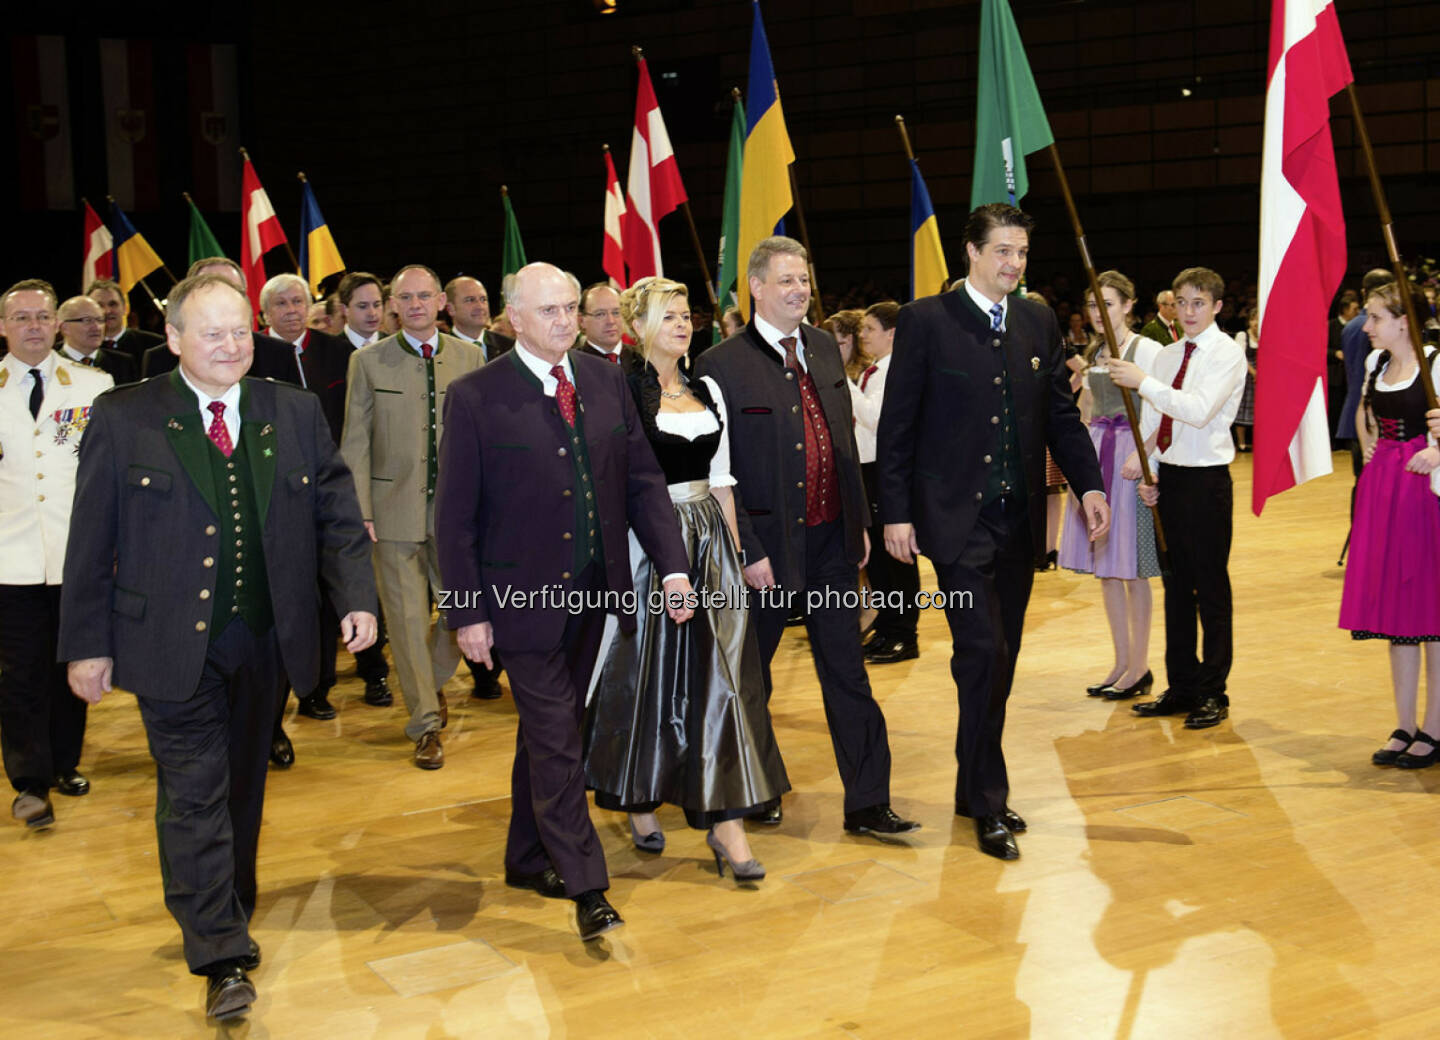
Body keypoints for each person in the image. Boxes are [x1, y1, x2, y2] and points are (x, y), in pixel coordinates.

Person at [59, 273, 377, 1021]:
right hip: (166, 645)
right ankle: (219, 950)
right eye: (213, 334)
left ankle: (230, 902)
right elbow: (91, 538)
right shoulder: (125, 416)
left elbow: (336, 514)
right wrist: (86, 645)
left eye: (240, 331)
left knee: (242, 787)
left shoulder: (291, 411)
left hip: (267, 640)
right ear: (174, 339)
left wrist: (357, 598)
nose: (232, 346)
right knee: (194, 792)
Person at [436, 262, 694, 941]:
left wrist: (673, 569)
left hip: (595, 592)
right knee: (557, 739)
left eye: (570, 307)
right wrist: (467, 611)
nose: (563, 321)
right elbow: (454, 517)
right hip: (518, 602)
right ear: (514, 317)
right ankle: (586, 884)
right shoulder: (474, 396)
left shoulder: (606, 381)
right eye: (547, 310)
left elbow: (642, 483)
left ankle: (527, 857)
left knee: (551, 733)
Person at [879, 205, 1108, 861]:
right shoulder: (926, 320)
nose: (1015, 263)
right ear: (973, 253)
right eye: (1003, 250)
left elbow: (1060, 415)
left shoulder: (1036, 319)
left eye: (1022, 252)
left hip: (1019, 521)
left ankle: (970, 783)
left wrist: (1090, 485)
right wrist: (895, 512)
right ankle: (987, 800)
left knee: (1000, 657)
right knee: (980, 651)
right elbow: (898, 424)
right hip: (955, 522)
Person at [696, 236, 918, 839]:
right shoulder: (720, 365)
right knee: (753, 677)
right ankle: (756, 787)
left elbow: (841, 441)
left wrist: (859, 522)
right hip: (765, 553)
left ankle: (868, 802)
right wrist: (748, 549)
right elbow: (718, 472)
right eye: (786, 280)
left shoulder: (821, 346)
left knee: (847, 672)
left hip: (831, 544)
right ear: (757, 287)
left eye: (804, 280)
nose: (799, 290)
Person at [584, 276, 788, 881]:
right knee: (647, 676)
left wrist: (739, 555)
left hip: (711, 541)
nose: (682, 325)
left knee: (723, 677)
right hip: (648, 544)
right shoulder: (620, 389)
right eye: (668, 315)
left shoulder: (707, 388)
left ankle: (727, 824)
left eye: (685, 315)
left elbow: (722, 481)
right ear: (638, 326)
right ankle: (639, 795)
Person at [341, 265, 483, 769]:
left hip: (456, 513)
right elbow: (355, 441)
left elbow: (484, 438)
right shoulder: (367, 361)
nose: (416, 305)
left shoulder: (470, 357)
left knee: (464, 608)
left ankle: (429, 682)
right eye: (406, 298)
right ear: (393, 305)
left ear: (441, 301)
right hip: (391, 513)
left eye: (425, 296)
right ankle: (425, 723)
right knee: (404, 622)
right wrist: (360, 510)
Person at [1110, 266, 1247, 731]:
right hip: (1170, 479)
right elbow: (1154, 420)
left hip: (1206, 481)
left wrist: (1142, 381)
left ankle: (1213, 691)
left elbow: (1197, 410)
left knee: (1210, 588)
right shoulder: (1168, 355)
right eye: (1182, 302)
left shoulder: (1226, 353)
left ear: (1217, 307)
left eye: (1198, 303)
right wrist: (1148, 468)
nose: (1188, 312)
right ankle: (1182, 685)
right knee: (1175, 588)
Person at [1, 280, 112, 830]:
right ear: (4, 327)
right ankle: (29, 781)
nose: (33, 326)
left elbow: (109, 475)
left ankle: (65, 762)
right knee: (18, 674)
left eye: (42, 317)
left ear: (56, 325)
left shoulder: (94, 386)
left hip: (76, 554)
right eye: (21, 317)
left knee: (73, 666)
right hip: (10, 558)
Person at [1340, 281, 1440, 768]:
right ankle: (1404, 723)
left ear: (1404, 321)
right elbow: (1367, 419)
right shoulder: (1376, 364)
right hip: (1385, 486)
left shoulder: (1436, 364)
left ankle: (1435, 726)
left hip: (1425, 493)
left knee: (1430, 611)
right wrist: (1371, 450)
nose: (1367, 326)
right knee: (1398, 611)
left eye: (1376, 317)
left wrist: (1437, 451)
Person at [1056, 271, 1161, 701]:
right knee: (1108, 571)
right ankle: (1121, 662)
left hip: (1129, 456)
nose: (1098, 312)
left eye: (1108, 304)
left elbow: (1160, 405)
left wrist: (1145, 454)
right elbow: (1085, 406)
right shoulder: (1094, 350)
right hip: (1099, 452)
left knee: (1131, 569)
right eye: (1093, 305)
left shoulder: (1145, 349)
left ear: (1129, 305)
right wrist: (1077, 464)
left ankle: (1140, 666)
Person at [851, 301, 920, 665]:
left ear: (891, 333)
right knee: (876, 556)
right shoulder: (874, 370)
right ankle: (888, 625)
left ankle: (905, 633)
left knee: (896, 556)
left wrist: (843, 385)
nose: (862, 335)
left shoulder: (896, 369)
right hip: (867, 467)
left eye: (869, 329)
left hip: (885, 469)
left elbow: (875, 417)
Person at [55, 295, 138, 383]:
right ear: (65, 328)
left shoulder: (123, 364)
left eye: (100, 320)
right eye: (87, 320)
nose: (97, 327)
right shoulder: (51, 364)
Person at [86, 279, 163, 366]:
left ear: (125, 308)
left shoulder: (155, 344)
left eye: (113, 304)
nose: (107, 311)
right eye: (99, 305)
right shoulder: (82, 348)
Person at [445, 275, 515, 364]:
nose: (480, 306)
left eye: (483, 299)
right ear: (450, 309)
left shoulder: (509, 347)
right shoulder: (439, 352)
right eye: (470, 300)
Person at [575, 283, 640, 369]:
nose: (611, 321)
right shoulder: (573, 366)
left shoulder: (643, 359)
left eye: (616, 313)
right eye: (600, 314)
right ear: (581, 320)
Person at [1232, 310, 1259, 452]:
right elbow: (1240, 357)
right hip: (1246, 375)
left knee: (1260, 411)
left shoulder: (1266, 335)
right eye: (1254, 319)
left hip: (1262, 376)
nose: (1256, 323)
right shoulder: (1243, 335)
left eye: (1259, 319)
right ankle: (1241, 443)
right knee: (1243, 409)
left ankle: (1258, 442)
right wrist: (1254, 372)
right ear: (1249, 321)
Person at [339, 271, 385, 348]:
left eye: (377, 305)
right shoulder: (328, 350)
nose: (372, 313)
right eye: (363, 306)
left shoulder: (395, 346)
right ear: (344, 309)